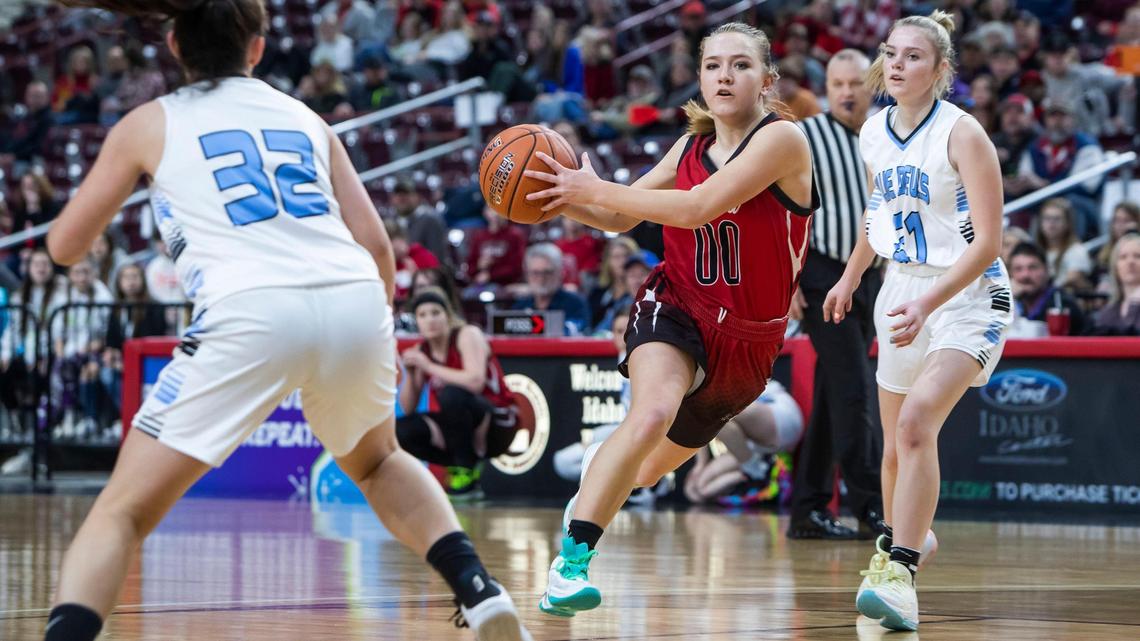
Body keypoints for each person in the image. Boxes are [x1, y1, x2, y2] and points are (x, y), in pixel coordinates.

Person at [41, 3, 532, 641]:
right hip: (353, 296)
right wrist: (366, 331)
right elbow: (379, 246)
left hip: (250, 306)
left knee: (123, 511)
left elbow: (67, 249)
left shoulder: (147, 123)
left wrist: (61, 236)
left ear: (173, 44)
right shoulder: (305, 117)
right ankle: (477, 586)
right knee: (379, 463)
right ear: (257, 48)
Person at [523, 22, 817, 617]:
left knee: (648, 470)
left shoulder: (783, 141)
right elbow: (619, 221)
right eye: (713, 66)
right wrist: (561, 196)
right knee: (651, 412)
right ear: (700, 77)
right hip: (677, 305)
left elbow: (696, 207)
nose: (724, 76)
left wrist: (599, 187)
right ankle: (570, 564)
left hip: (750, 343)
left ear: (767, 78)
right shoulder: (687, 147)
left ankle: (595, 485)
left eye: (739, 65)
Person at [829, 12, 1011, 631]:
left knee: (914, 425)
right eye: (891, 53)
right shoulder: (874, 131)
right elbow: (879, 214)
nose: (898, 64)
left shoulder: (964, 135)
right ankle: (910, 541)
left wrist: (929, 304)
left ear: (940, 70)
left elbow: (988, 243)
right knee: (894, 452)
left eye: (912, 56)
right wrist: (852, 275)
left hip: (966, 293)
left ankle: (900, 570)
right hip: (901, 287)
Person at [788, 48, 884, 541]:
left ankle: (807, 508)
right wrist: (788, 281)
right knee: (854, 388)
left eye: (854, 83)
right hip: (823, 273)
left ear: (873, 85)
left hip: (872, 276)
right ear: (826, 89)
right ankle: (871, 507)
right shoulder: (806, 136)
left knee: (833, 392)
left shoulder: (886, 134)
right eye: (836, 84)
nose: (846, 92)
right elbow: (776, 208)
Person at [396, 287, 520, 499]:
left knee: (452, 395)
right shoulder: (422, 351)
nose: (430, 320)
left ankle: (466, 467)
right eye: (423, 315)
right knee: (403, 430)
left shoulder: (467, 334)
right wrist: (410, 374)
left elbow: (475, 381)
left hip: (499, 420)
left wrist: (428, 367)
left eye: (436, 313)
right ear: (416, 321)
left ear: (448, 315)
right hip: (461, 427)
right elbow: (408, 407)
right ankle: (457, 468)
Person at [683, 379, 803, 506]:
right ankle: (756, 473)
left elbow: (709, 414)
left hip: (778, 416)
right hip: (756, 447)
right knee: (695, 489)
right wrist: (700, 464)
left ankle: (755, 470)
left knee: (714, 411)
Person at [511, 243, 590, 336]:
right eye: (535, 273)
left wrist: (529, 326)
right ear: (527, 274)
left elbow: (574, 331)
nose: (541, 279)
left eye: (547, 272)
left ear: (560, 272)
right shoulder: (520, 306)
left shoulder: (575, 303)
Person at [1008, 242, 1085, 336]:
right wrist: (1009, 298)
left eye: (1033, 267)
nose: (1025, 275)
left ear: (1047, 270)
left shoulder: (1062, 303)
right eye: (1018, 269)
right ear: (1010, 273)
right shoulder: (1011, 301)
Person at [1034, 198, 1092, 290]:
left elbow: (1074, 278)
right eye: (1047, 218)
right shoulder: (1036, 250)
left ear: (1068, 223)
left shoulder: (1076, 250)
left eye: (1057, 219)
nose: (1051, 223)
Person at [1091, 233, 1140, 335]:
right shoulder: (1108, 312)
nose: (1130, 261)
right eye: (1123, 257)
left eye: (1137, 256)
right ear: (1115, 267)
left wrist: (1135, 305)